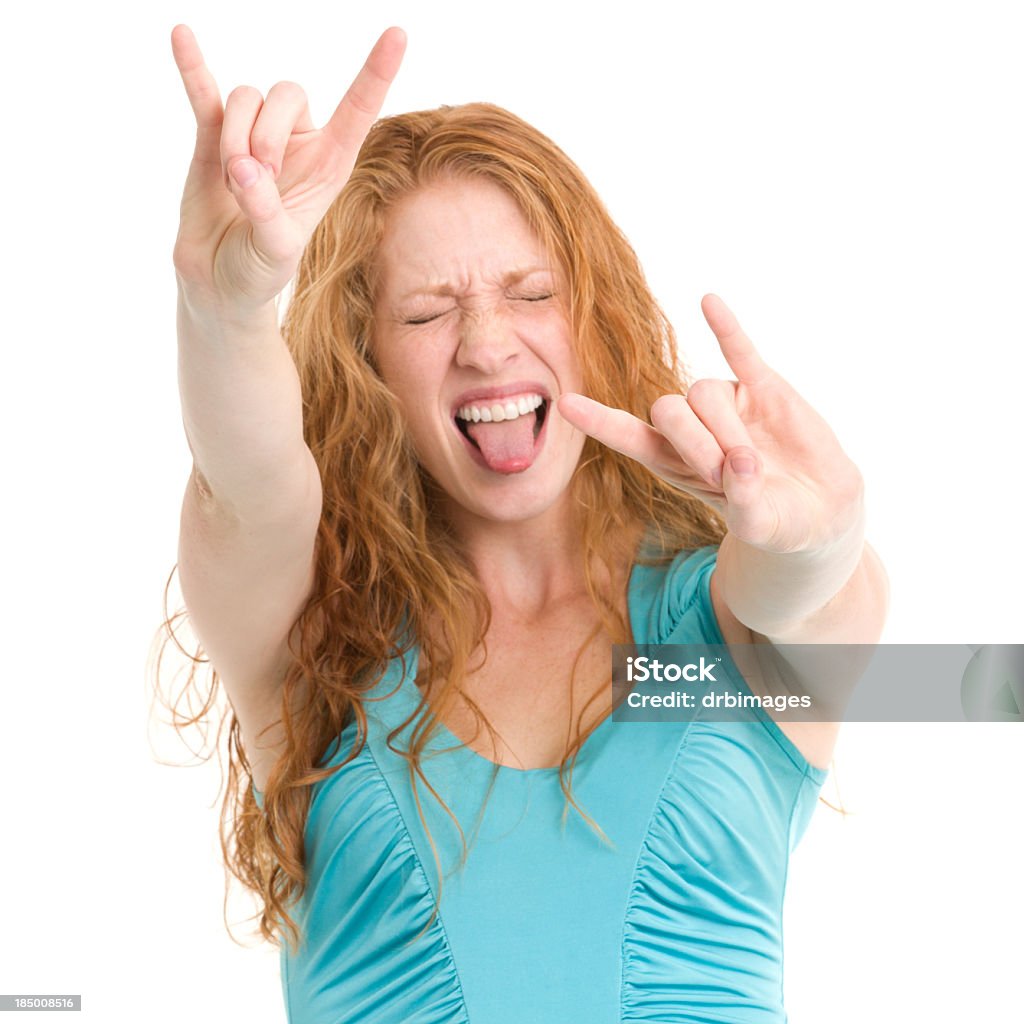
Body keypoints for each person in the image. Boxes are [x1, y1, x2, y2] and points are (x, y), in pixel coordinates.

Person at [164, 22, 889, 1023]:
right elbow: (249, 484)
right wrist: (223, 308)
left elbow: (812, 599)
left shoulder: (691, 645)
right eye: (424, 313)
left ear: (593, 315)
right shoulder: (320, 640)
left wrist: (817, 540)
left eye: (531, 292)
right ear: (364, 364)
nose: (485, 342)